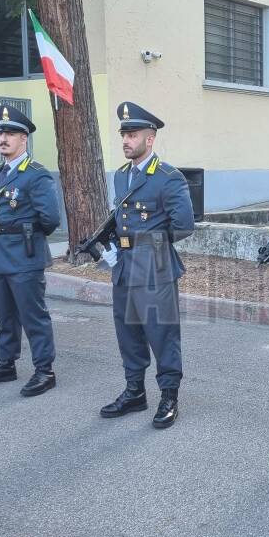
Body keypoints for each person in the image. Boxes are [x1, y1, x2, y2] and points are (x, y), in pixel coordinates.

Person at [99, 102, 195, 429]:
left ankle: (169, 395)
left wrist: (145, 245)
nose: (125, 140)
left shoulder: (168, 177)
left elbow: (183, 225)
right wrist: (115, 248)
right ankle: (135, 391)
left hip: (153, 265)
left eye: (132, 134)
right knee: (128, 331)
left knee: (161, 332)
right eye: (123, 134)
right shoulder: (122, 176)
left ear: (149, 139)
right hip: (123, 265)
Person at [0, 105, 61, 397]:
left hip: (24, 255)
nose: (3, 138)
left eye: (10, 133)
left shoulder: (36, 174)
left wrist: (25, 235)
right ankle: (5, 363)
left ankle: (44, 370)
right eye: (0, 133)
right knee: (5, 315)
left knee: (33, 316)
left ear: (24, 139)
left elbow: (50, 219)